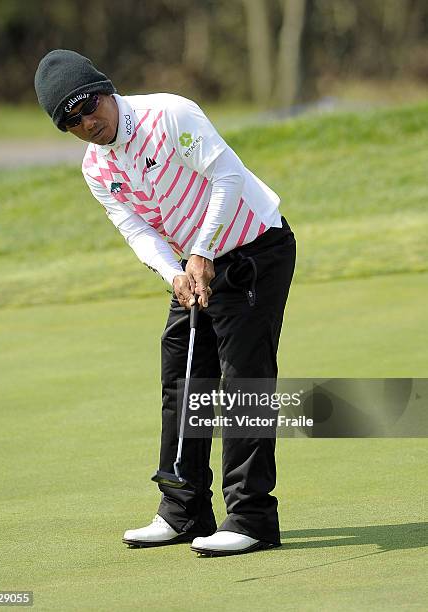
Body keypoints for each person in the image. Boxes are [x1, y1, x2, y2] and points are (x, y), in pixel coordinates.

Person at [34, 49, 296, 557]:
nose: (86, 122)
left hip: (254, 248)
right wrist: (175, 271)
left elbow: (229, 178)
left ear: (106, 90)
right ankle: (184, 510)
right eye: (71, 120)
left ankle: (252, 519)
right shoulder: (96, 167)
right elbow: (135, 227)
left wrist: (200, 251)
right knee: (181, 372)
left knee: (243, 377)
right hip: (195, 266)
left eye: (88, 106)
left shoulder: (168, 114)